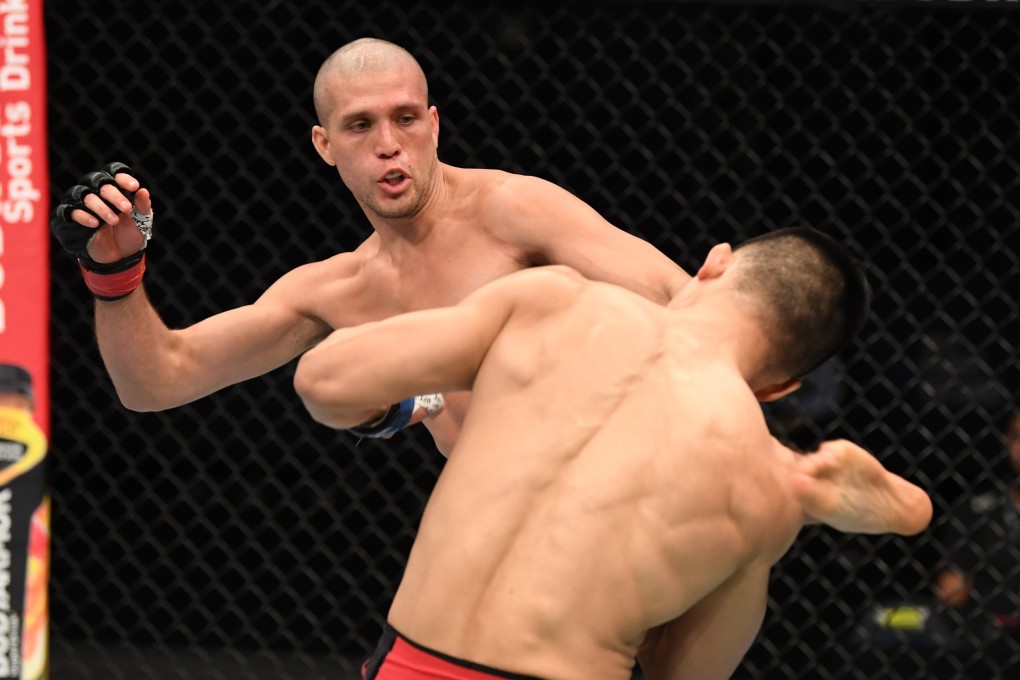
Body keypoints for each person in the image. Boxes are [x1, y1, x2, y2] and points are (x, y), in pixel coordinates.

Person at [292, 227, 934, 679]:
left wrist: (426, 402)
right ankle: (896, 505)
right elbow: (684, 673)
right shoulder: (763, 481)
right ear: (781, 387)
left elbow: (325, 384)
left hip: (414, 662)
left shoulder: (553, 302)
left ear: (713, 263)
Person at [48, 37, 689, 455]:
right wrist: (115, 271)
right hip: (498, 542)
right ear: (325, 146)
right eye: (360, 125)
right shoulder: (335, 291)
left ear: (434, 126)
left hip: (622, 501)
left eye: (405, 118)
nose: (389, 143)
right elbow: (156, 381)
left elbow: (682, 300)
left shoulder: (513, 210)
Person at [933, 409, 1020, 671]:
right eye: (1018, 437)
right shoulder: (975, 510)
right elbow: (952, 590)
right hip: (987, 642)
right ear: (1006, 441)